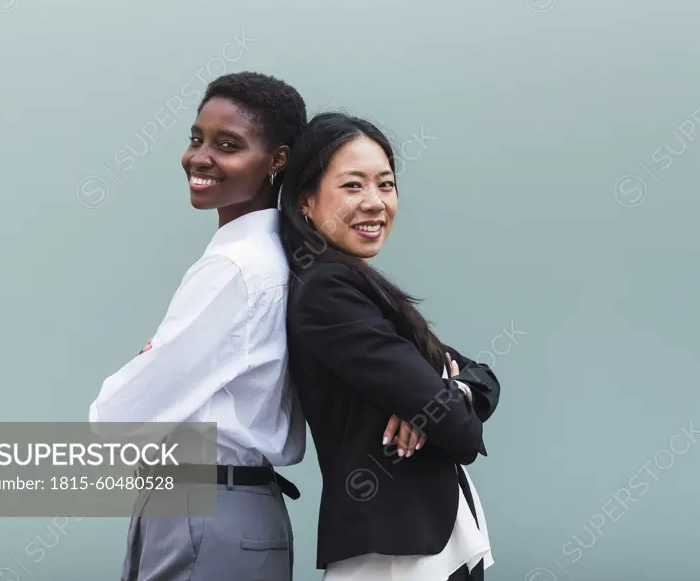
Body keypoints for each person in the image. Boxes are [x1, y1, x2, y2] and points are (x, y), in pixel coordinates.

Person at [88, 71, 308, 581]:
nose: (199, 157)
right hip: (225, 506)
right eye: (196, 138)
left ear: (277, 160)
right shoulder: (271, 256)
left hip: (204, 508)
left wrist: (151, 361)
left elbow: (116, 417)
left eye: (227, 145)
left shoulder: (234, 269)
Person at [278, 112, 500, 580]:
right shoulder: (326, 292)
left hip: (429, 544)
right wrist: (440, 398)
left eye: (386, 184)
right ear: (305, 201)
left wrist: (450, 392)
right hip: (396, 556)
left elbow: (478, 375)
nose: (376, 203)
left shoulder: (359, 287)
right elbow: (460, 431)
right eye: (353, 186)